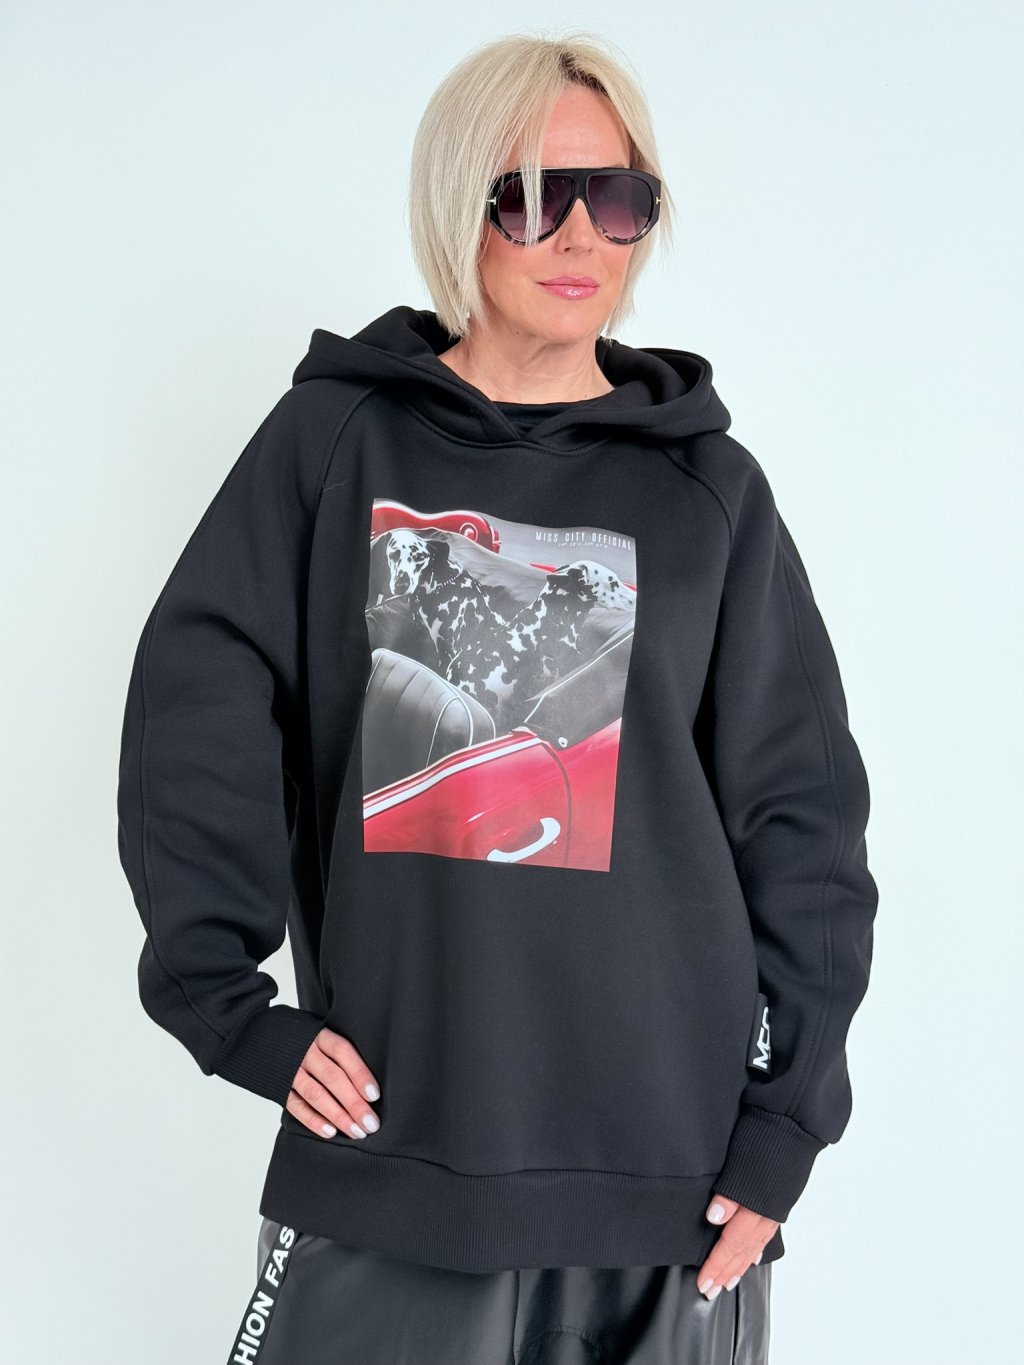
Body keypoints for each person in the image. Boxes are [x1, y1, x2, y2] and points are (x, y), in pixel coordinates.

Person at [116, 29, 878, 1365]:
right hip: (395, 1163)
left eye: (619, 197)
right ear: (455, 207)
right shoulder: (336, 445)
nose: (580, 233)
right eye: (530, 195)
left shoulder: (709, 494)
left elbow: (802, 822)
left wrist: (788, 1121)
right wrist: (227, 1006)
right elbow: (198, 713)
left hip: (669, 1196)